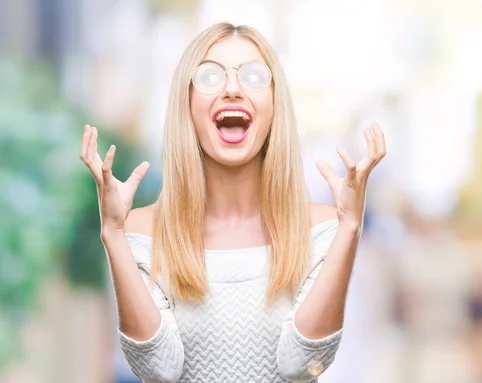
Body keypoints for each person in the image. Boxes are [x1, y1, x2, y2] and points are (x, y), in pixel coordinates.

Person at [78, 22, 386, 383]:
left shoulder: (322, 229)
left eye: (254, 76)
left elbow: (302, 364)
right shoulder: (139, 232)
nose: (233, 89)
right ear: (188, 104)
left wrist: (350, 226)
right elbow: (158, 369)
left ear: (275, 105)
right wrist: (113, 233)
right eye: (210, 77)